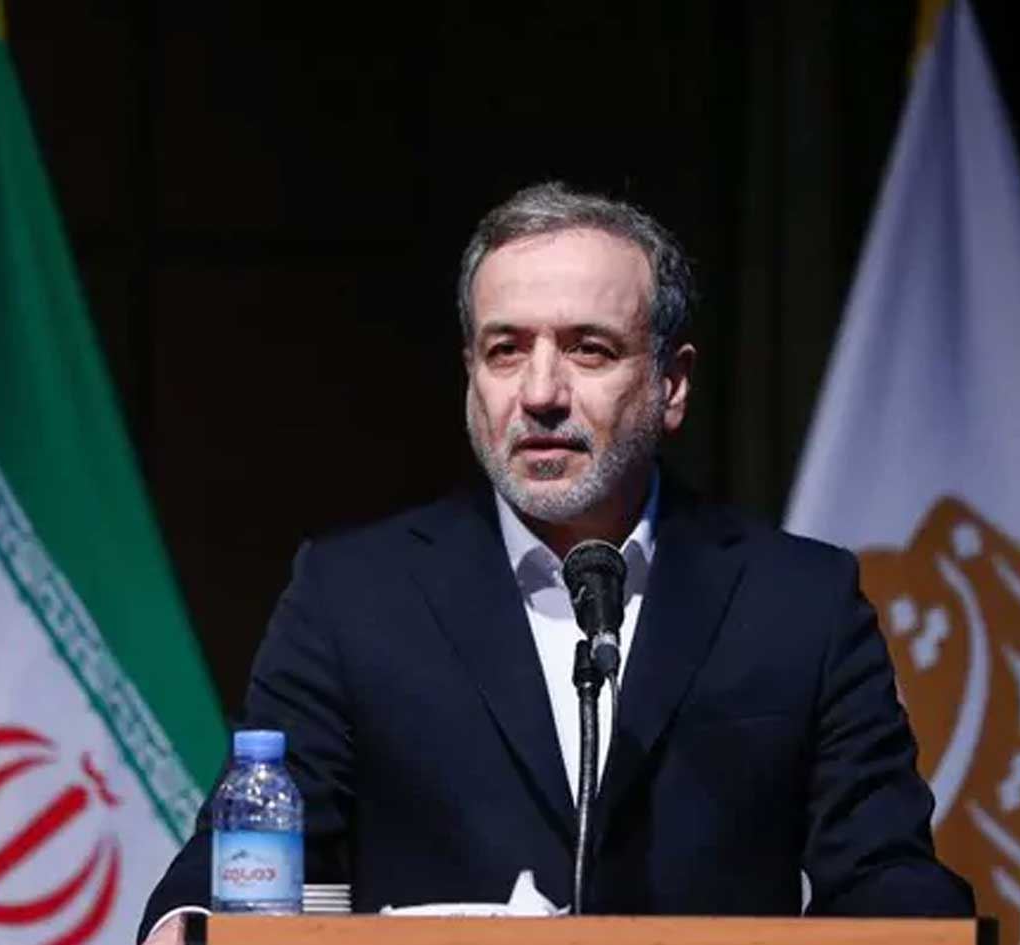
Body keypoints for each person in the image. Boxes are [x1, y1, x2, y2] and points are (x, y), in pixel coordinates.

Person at [138, 183, 974, 942]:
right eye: (505, 349)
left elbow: (885, 873)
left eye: (589, 349)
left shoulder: (800, 602)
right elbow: (246, 849)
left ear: (673, 385)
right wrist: (189, 922)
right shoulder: (352, 596)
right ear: (471, 376)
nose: (540, 392)